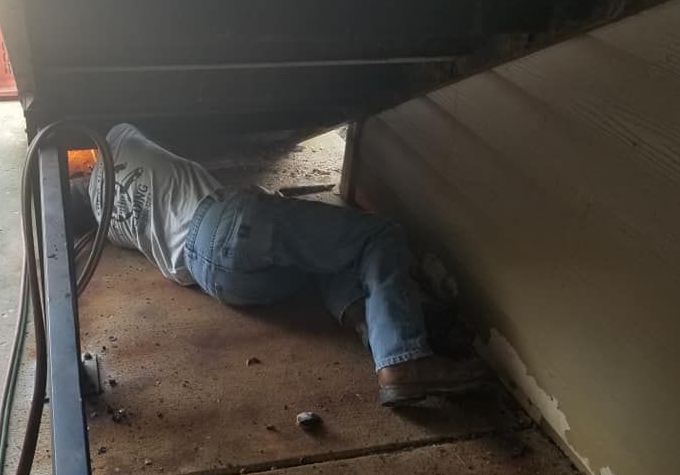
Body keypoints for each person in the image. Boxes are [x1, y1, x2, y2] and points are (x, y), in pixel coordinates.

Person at [70, 123, 487, 406]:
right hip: (225, 221)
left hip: (217, 281)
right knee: (378, 236)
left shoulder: (111, 227)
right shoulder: (118, 138)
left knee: (324, 259)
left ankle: (370, 320)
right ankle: (402, 360)